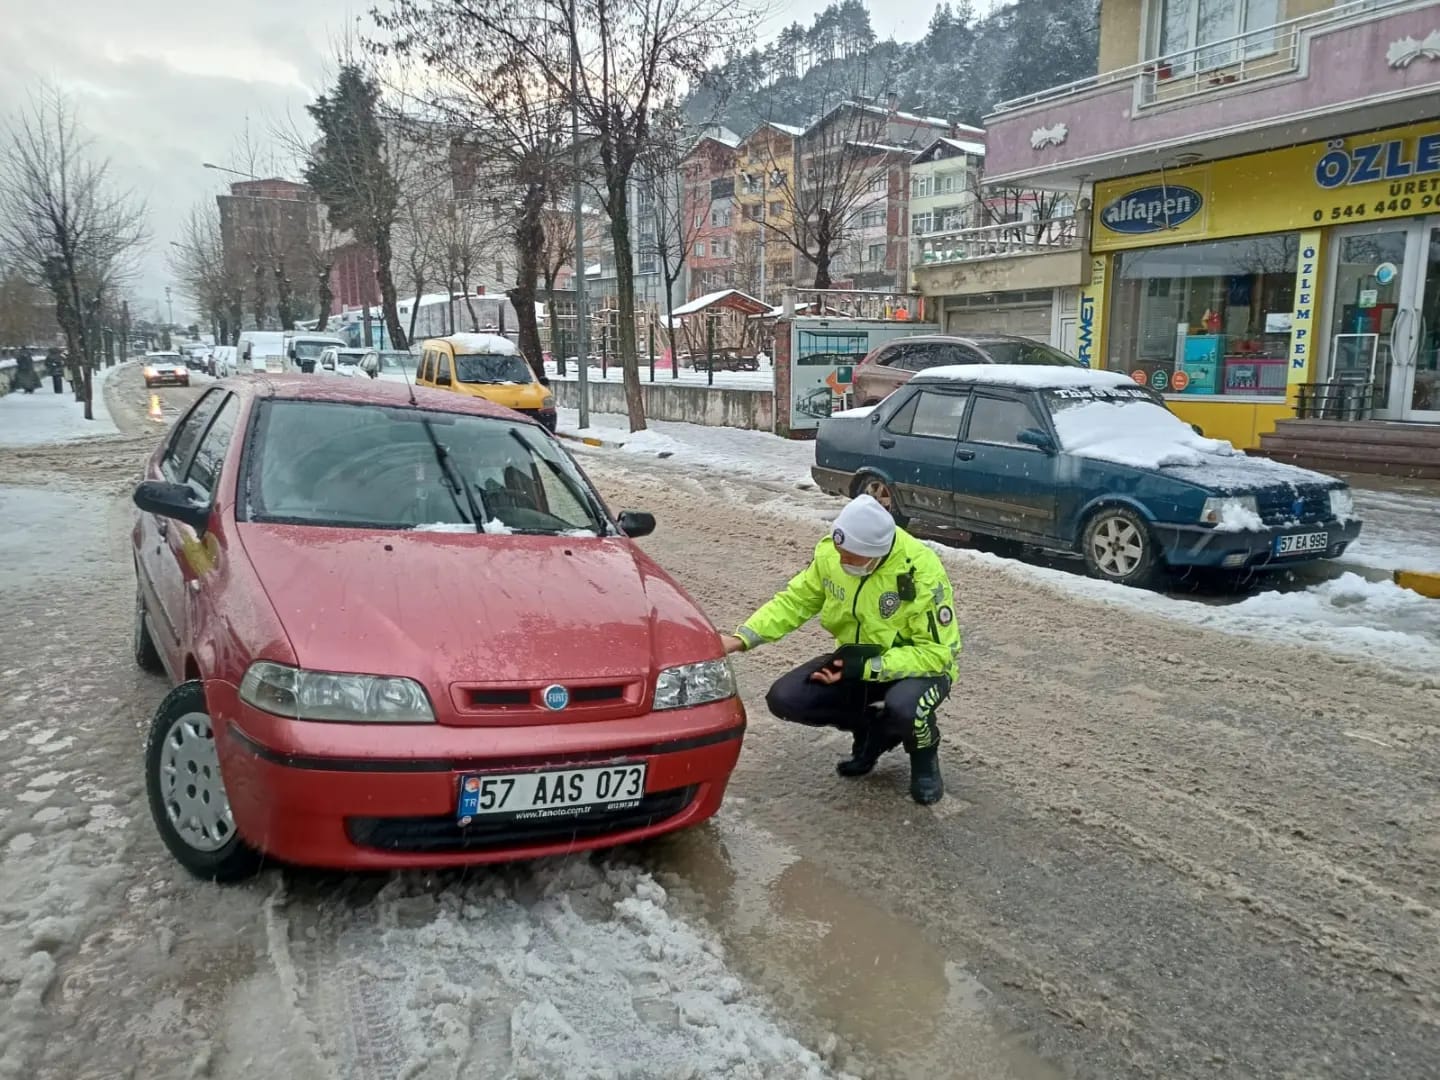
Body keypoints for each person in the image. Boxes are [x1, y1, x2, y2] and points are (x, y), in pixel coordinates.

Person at [722, 495, 961, 805]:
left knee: (905, 707)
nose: (843, 563)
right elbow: (796, 601)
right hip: (857, 659)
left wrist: (866, 666)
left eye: (852, 558)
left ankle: (924, 756)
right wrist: (744, 637)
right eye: (840, 554)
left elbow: (937, 654)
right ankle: (871, 730)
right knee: (787, 697)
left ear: (876, 554)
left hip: (919, 669)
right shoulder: (832, 554)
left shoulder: (920, 574)